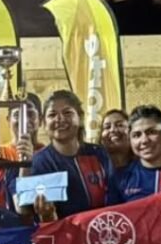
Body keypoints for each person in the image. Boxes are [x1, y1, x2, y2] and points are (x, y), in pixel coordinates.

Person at [31, 90, 113, 218]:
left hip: (101, 231)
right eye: (52, 115)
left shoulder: (99, 154)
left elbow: (114, 198)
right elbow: (37, 214)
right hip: (63, 235)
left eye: (67, 113)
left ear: (80, 118)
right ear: (44, 123)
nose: (59, 119)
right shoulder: (39, 162)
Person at [0, 93, 44, 162]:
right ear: (9, 120)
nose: (25, 121)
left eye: (30, 114)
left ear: (41, 120)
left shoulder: (49, 155)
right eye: (18, 114)